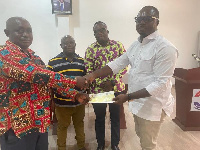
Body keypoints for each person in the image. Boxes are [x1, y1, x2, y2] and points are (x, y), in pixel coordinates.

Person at [85, 6, 178, 150]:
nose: (141, 22)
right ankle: (100, 144)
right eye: (138, 19)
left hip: (152, 107)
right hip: (136, 104)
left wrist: (126, 95)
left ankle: (114, 144)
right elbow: (118, 63)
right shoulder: (136, 45)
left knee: (148, 144)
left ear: (157, 22)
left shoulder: (165, 48)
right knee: (141, 137)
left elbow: (160, 84)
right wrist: (91, 76)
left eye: (147, 19)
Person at [0, 17, 88, 150]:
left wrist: (74, 95)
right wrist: (74, 81)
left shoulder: (33, 57)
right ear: (7, 33)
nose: (26, 35)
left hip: (39, 120)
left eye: (29, 31)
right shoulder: (4, 54)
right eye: (20, 31)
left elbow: (49, 82)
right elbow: (36, 74)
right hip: (17, 126)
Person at [84, 21, 127, 150]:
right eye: (97, 31)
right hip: (98, 90)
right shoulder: (90, 49)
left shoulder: (118, 45)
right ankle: (100, 144)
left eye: (102, 29)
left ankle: (115, 144)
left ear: (107, 31)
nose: (100, 33)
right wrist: (100, 83)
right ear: (94, 34)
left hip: (116, 88)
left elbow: (125, 64)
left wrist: (113, 82)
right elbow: (88, 70)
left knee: (115, 117)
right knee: (100, 118)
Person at [47, 35, 87, 150]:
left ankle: (81, 146)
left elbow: (85, 79)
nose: (69, 45)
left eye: (71, 43)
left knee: (79, 124)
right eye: (65, 43)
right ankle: (61, 148)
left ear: (75, 45)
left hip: (79, 104)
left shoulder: (81, 61)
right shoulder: (53, 62)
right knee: (62, 127)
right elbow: (51, 83)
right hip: (62, 104)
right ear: (61, 46)